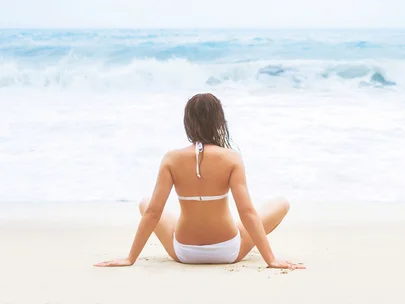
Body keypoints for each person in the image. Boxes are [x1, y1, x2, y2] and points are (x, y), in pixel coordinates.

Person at [94, 93, 304, 269]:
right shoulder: (231, 158)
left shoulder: (171, 159)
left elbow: (153, 212)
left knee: (145, 203)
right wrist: (271, 259)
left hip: (184, 251)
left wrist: (130, 258)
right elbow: (247, 212)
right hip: (228, 249)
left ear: (188, 123)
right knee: (280, 204)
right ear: (220, 122)